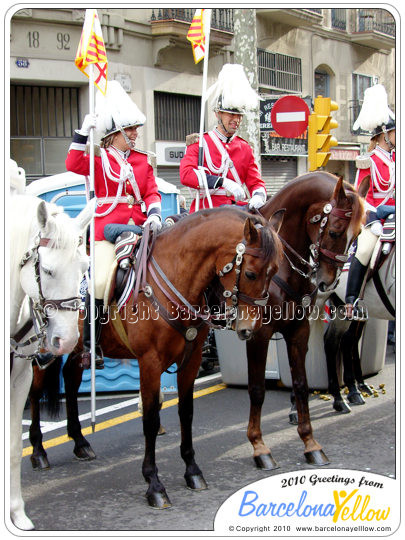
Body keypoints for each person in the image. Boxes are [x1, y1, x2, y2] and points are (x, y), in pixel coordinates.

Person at [65, 81, 162, 368]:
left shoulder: (143, 162)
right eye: (129, 129)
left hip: (141, 227)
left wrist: (155, 213)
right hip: (106, 232)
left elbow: (151, 192)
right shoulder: (98, 160)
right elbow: (72, 162)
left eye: (135, 129)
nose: (135, 134)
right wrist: (83, 131)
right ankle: (91, 346)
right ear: (114, 133)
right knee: (98, 283)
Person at [180, 64, 267, 213]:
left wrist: (258, 196)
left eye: (239, 115)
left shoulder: (244, 147)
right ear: (218, 114)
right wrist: (222, 182)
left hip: (237, 211)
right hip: (207, 211)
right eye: (231, 114)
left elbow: (256, 182)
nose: (236, 120)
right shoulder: (201, 143)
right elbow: (186, 175)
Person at [345, 84, 395, 320]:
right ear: (385, 134)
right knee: (365, 249)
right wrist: (377, 215)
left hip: (394, 218)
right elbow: (360, 198)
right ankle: (352, 300)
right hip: (373, 220)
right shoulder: (369, 161)